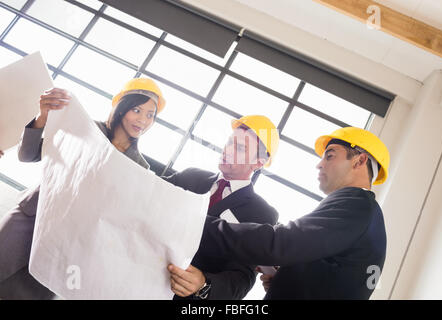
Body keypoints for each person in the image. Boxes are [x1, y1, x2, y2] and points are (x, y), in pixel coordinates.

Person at [169, 127, 390, 299]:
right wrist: (285, 279)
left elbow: (279, 243)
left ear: (360, 160)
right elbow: (334, 278)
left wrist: (195, 221)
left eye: (329, 156)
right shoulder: (361, 214)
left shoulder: (356, 204)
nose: (319, 165)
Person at [0, 77, 166, 299]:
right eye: (136, 110)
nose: (143, 120)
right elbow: (28, 155)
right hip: (30, 219)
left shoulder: (140, 168)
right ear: (121, 107)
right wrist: (42, 118)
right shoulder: (84, 128)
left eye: (150, 115)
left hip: (66, 246)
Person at [165, 115, 280, 300]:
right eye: (229, 142)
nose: (227, 150)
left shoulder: (261, 214)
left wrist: (204, 284)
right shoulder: (190, 177)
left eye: (240, 148)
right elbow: (149, 193)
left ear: (258, 162)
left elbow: (242, 277)